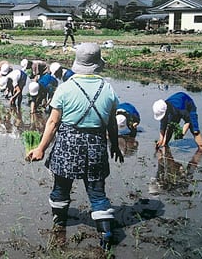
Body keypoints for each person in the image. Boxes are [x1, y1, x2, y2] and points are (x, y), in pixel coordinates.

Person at [26, 42, 124, 250]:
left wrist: (41, 149)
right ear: (98, 63)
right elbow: (112, 122)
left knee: (61, 187)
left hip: (68, 145)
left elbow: (52, 123)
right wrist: (114, 145)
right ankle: (106, 234)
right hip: (96, 144)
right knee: (97, 192)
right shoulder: (107, 88)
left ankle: (59, 222)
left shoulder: (66, 88)